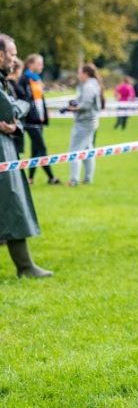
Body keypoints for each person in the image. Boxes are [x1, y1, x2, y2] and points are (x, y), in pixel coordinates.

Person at [0, 33, 53, 278]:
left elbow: (16, 112)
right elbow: (12, 108)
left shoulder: (4, 80)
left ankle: (25, 266)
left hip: (6, 149)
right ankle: (25, 267)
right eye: (12, 54)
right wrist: (19, 108)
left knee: (12, 205)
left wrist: (16, 121)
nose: (15, 59)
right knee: (10, 203)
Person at [17, 53, 60, 185]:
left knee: (36, 150)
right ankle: (51, 177)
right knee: (42, 148)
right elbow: (23, 100)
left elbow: (40, 100)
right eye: (39, 63)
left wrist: (44, 115)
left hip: (39, 120)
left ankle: (30, 179)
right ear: (31, 64)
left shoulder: (37, 79)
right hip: (30, 121)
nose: (42, 66)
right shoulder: (24, 79)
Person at [66, 64, 101, 186]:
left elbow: (86, 105)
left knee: (74, 151)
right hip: (90, 122)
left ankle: (74, 180)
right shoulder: (93, 85)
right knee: (87, 151)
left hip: (84, 122)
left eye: (79, 72)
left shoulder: (89, 86)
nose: (78, 75)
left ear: (85, 73)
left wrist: (73, 108)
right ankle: (87, 178)